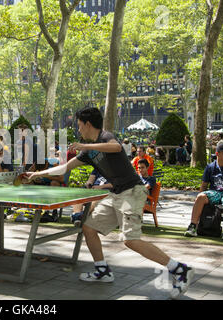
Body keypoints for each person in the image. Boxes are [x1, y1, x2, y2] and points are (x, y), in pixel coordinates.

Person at [24, 106, 194, 299]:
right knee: (89, 228)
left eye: (79, 126)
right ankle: (102, 270)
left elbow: (116, 147)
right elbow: (64, 168)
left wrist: (85, 146)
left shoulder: (105, 137)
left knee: (130, 240)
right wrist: (37, 174)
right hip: (115, 194)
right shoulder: (88, 151)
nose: (79, 130)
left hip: (132, 192)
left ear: (88, 124)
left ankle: (179, 269)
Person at [184, 143, 223, 241]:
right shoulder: (210, 167)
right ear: (217, 154)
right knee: (200, 196)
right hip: (214, 192)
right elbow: (204, 185)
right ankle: (192, 227)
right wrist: (200, 196)